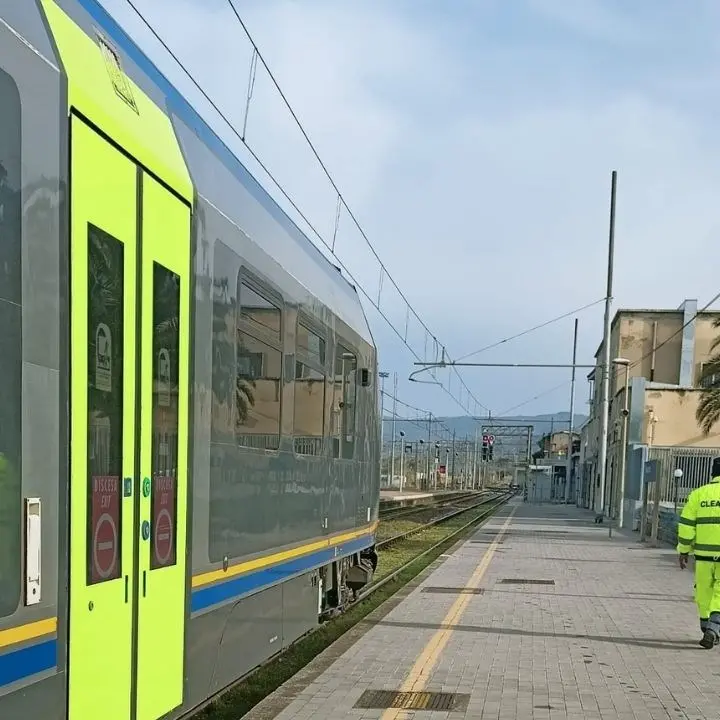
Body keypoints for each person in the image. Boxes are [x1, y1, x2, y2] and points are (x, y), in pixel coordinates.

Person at [677, 456, 720, 649]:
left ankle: (706, 628)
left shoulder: (698, 494)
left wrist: (684, 551)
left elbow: (686, 526)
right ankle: (713, 628)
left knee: (703, 592)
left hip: (702, 557)